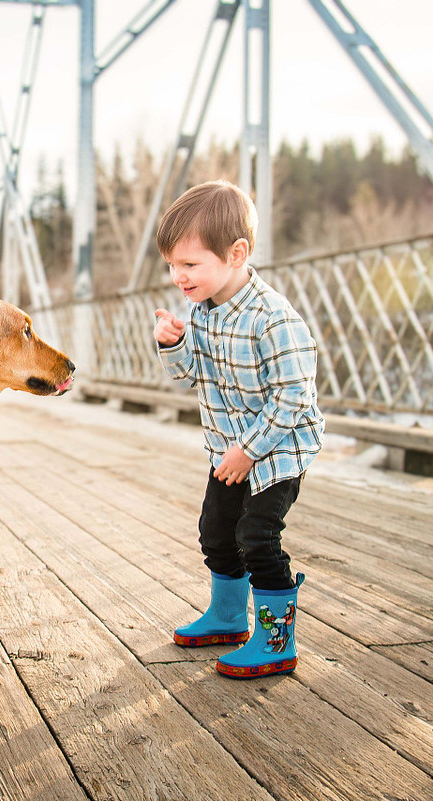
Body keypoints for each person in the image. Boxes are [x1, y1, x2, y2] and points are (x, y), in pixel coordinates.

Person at [153, 180, 323, 678]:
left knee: (257, 537)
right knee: (216, 533)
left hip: (276, 454)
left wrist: (247, 451)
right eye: (172, 266)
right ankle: (228, 616)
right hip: (226, 451)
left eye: (189, 264)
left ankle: (276, 642)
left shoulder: (274, 319)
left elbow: (294, 396)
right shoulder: (201, 310)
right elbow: (189, 375)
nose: (178, 277)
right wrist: (173, 344)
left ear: (237, 253)